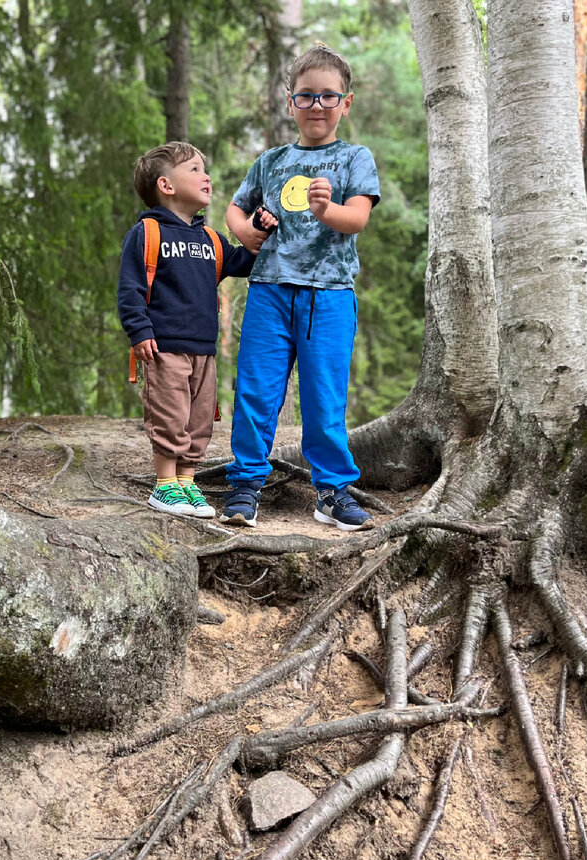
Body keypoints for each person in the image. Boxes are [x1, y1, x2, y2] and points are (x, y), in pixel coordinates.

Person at [221, 45, 379, 531]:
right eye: (306, 96)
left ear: (345, 104)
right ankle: (246, 484)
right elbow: (235, 208)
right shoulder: (271, 161)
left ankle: (331, 491)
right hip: (269, 291)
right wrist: (244, 232)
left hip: (329, 296)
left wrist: (325, 211)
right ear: (290, 101)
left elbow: (357, 218)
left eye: (328, 97)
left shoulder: (354, 158)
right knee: (256, 390)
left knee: (323, 396)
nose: (316, 106)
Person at [118, 141, 276, 518]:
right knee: (170, 416)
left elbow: (241, 261)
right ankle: (164, 486)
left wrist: (257, 228)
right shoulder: (147, 233)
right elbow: (130, 289)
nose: (205, 176)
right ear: (166, 186)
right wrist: (139, 332)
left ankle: (188, 484)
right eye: (193, 169)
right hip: (164, 347)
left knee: (200, 418)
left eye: (204, 169)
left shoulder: (209, 239)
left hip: (203, 349)